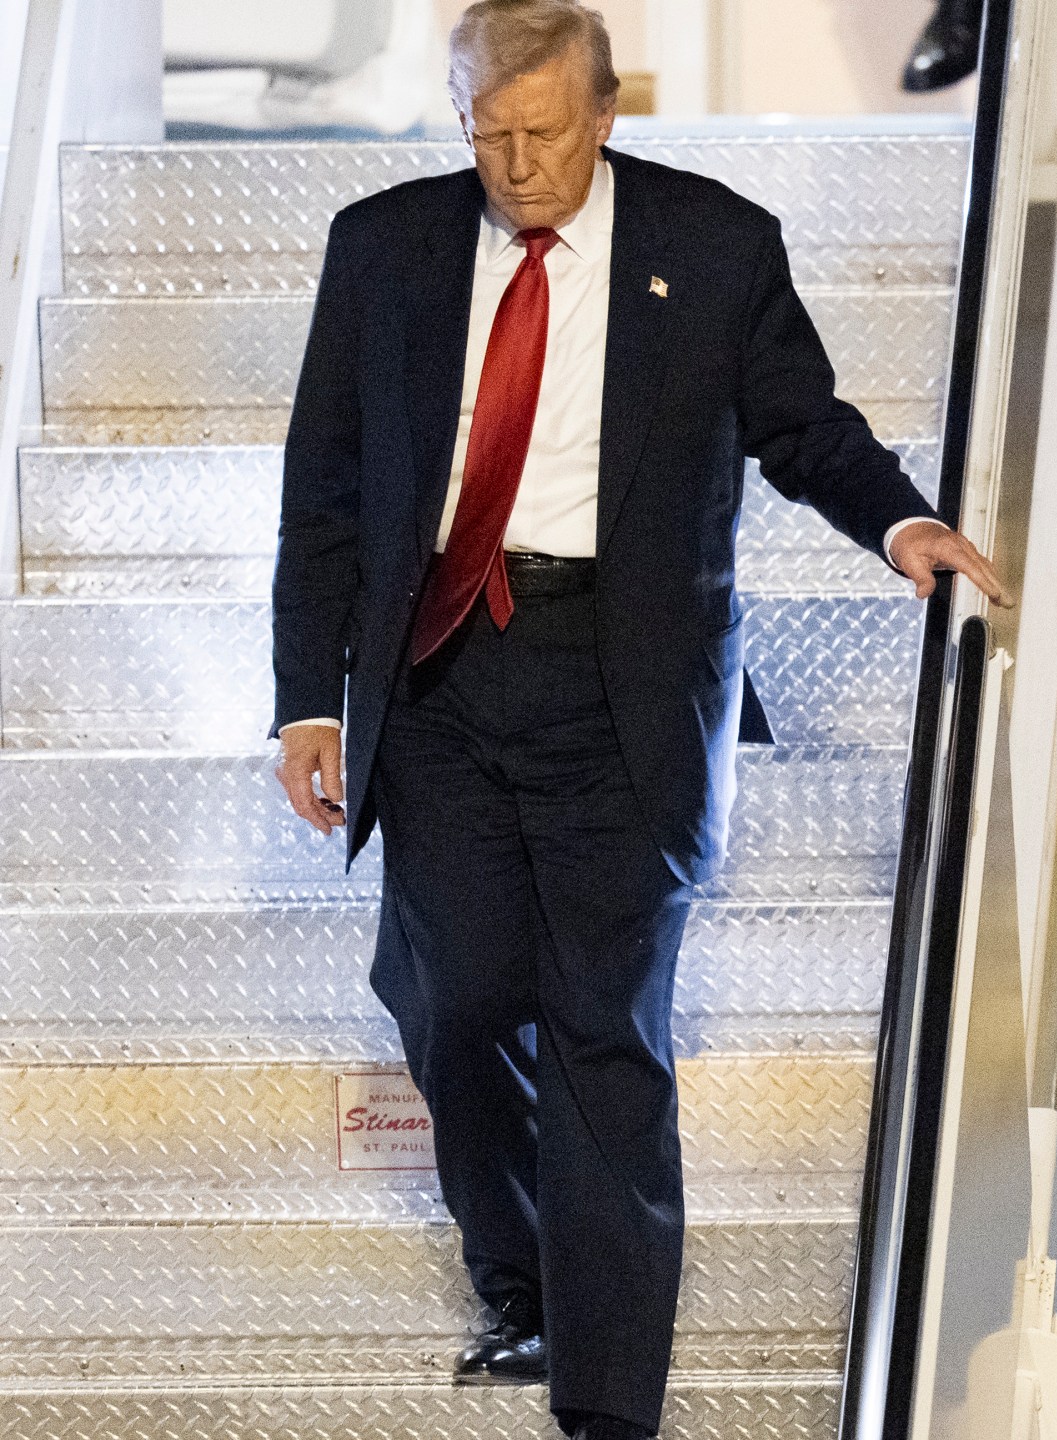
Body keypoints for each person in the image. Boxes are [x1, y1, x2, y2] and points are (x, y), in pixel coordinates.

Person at [268, 4, 1007, 1437]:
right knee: (463, 998)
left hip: (624, 684)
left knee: (607, 1030)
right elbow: (328, 488)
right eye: (487, 132)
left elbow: (806, 425)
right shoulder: (386, 248)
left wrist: (900, 521)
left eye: (543, 134)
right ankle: (522, 1272)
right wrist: (310, 697)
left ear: (608, 111)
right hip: (436, 673)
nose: (516, 165)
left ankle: (609, 1410)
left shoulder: (715, 245)